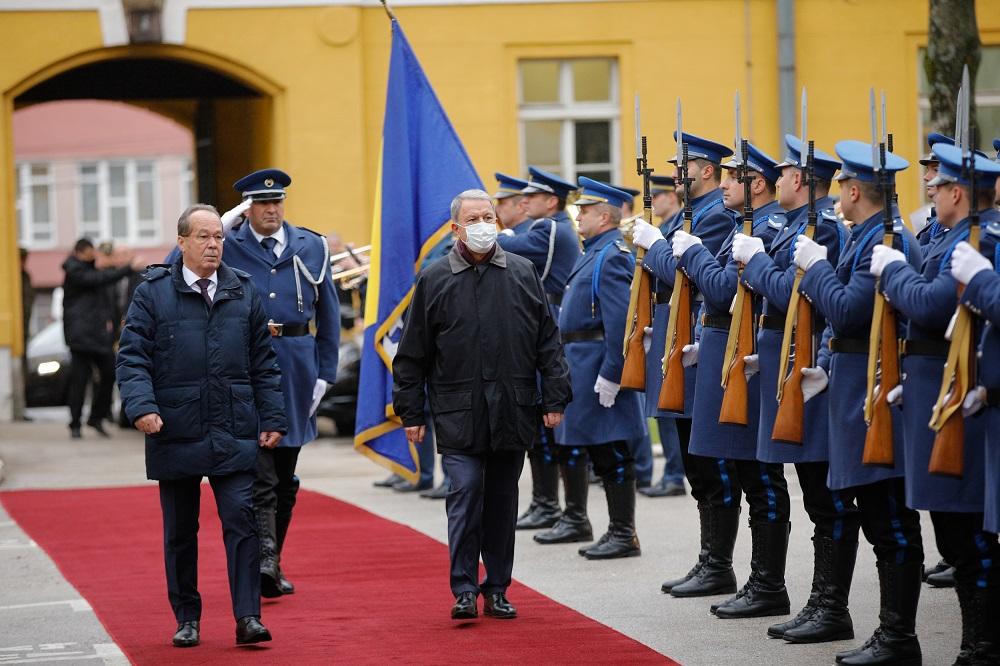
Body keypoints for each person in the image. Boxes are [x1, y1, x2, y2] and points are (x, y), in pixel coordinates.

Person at [392, 189, 571, 620]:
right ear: (456, 229)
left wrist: (555, 397)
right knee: (466, 492)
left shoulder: (523, 273)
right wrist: (411, 411)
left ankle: (497, 587)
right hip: (458, 411)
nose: (483, 225)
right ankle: (464, 587)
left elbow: (548, 342)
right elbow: (412, 354)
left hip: (512, 408)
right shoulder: (434, 279)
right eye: (473, 219)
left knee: (502, 501)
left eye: (488, 216)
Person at [117, 204, 285, 648]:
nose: (214, 245)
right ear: (183, 242)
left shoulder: (241, 290)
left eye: (219, 237)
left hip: (233, 425)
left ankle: (248, 617)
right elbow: (132, 356)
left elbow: (263, 364)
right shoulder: (152, 292)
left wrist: (273, 416)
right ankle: (187, 617)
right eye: (204, 237)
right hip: (174, 427)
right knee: (179, 532)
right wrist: (141, 407)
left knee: (242, 523)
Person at [636, 141, 791, 618]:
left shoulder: (722, 220)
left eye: (730, 177)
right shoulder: (717, 217)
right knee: (714, 466)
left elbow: (709, 284)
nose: (723, 184)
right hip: (712, 341)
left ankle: (752, 577)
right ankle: (719, 564)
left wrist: (662, 249)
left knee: (746, 473)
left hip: (742, 348)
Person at [792, 140, 924, 665]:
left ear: (852, 190)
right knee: (875, 514)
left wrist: (816, 269)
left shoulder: (882, 241)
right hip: (850, 380)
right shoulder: (866, 235)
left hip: (873, 386)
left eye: (840, 187)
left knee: (889, 518)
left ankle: (899, 638)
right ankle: (890, 633)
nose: (834, 199)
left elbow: (849, 312)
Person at [183, 169, 340, 598]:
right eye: (260, 204)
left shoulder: (312, 245)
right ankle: (264, 561)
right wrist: (224, 220)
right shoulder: (227, 244)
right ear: (247, 208)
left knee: (285, 475)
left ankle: (273, 559)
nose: (270, 210)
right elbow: (174, 264)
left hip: (297, 367)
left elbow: (329, 316)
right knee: (261, 472)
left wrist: (326, 372)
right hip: (245, 365)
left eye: (276, 203)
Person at [872, 143, 1000, 666]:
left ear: (957, 193)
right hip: (952, 389)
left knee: (970, 537)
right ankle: (975, 646)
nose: (930, 188)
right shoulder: (955, 235)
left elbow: (928, 304)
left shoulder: (979, 240)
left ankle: (983, 648)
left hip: (969, 400)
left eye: (939, 182)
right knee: (955, 532)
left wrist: (894, 270)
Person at [634, 132, 744, 595]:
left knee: (710, 464)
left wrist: (654, 245)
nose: (676, 172)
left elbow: (683, 270)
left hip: (699, 343)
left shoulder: (717, 216)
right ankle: (708, 560)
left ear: (706, 170)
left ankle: (719, 564)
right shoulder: (688, 214)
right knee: (697, 465)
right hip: (677, 342)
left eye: (684, 165)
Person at [534, 177, 645, 560]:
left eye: (584, 210)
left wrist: (614, 373)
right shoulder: (593, 251)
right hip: (580, 362)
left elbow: (618, 323)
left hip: (597, 363)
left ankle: (623, 532)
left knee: (611, 450)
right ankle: (610, 528)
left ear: (604, 216)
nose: (577, 215)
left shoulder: (612, 255)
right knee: (595, 449)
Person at [497, 167, 581, 531]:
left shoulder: (549, 228)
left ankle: (555, 507)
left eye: (531, 197)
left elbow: (511, 248)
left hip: (552, 329)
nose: (522, 201)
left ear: (551, 201)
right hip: (540, 327)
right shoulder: (544, 226)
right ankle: (544, 502)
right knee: (539, 429)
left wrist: (482, 231)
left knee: (551, 427)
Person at [62, 237, 143, 439]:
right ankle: (75, 423)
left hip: (98, 336)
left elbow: (106, 283)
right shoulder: (75, 270)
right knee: (80, 380)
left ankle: (96, 417)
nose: (95, 256)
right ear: (81, 253)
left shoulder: (92, 269)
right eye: (91, 253)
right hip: (80, 337)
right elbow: (98, 279)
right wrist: (127, 268)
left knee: (110, 373)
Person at [640, 175, 686, 498]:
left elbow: (672, 272)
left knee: (671, 405)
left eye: (658, 195)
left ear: (673, 196)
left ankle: (675, 472)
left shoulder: (679, 226)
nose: (654, 201)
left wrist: (653, 244)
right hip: (662, 316)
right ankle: (672, 470)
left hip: (674, 317)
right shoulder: (667, 227)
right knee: (662, 405)